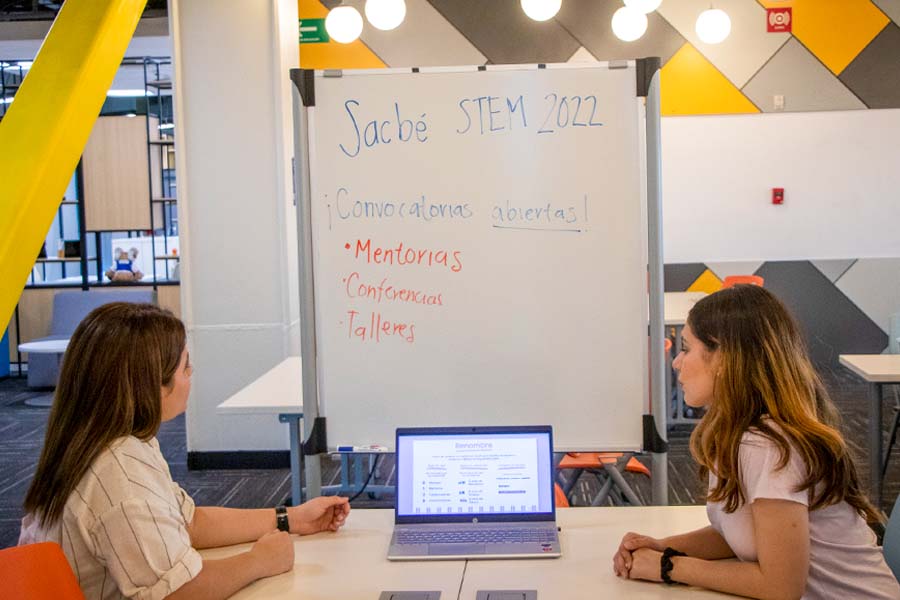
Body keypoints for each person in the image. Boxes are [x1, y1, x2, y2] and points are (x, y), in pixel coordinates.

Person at [19, 302, 351, 600]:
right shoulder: (118, 475)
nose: (191, 376)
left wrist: (290, 518)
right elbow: (177, 592)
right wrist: (258, 561)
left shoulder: (106, 441)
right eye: (184, 368)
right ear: (150, 385)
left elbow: (187, 521)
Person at [613, 285, 900, 599]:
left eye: (686, 348)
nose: (676, 362)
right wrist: (664, 547)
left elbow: (781, 587)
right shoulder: (737, 431)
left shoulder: (767, 445)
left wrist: (668, 567)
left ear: (723, 357)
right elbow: (744, 536)